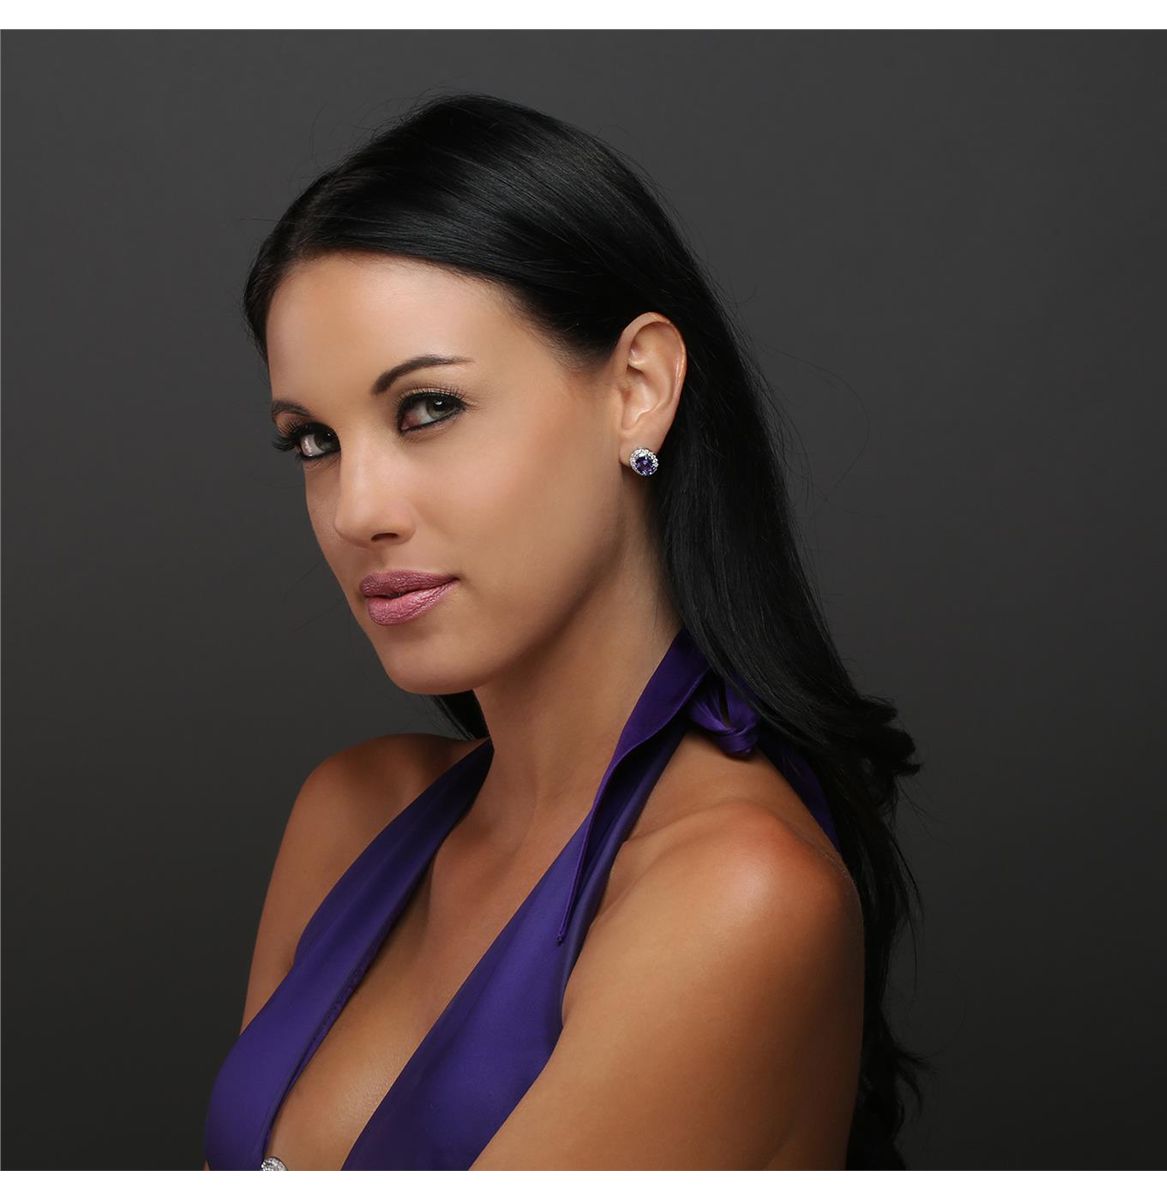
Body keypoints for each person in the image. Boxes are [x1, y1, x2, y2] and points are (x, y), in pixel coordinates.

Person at [202, 91, 927, 1171]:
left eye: (428, 408)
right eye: (314, 441)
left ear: (637, 387)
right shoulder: (352, 815)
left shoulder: (736, 894)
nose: (357, 511)